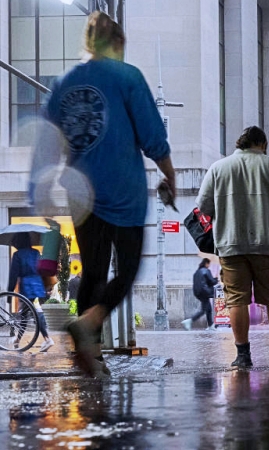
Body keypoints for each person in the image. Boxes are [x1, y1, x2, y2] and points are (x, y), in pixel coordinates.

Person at [29, 12, 176, 378]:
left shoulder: (65, 83)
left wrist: (41, 185)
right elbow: (152, 136)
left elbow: (47, 141)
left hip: (80, 193)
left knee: (92, 273)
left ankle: (90, 356)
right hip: (123, 191)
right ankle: (90, 322)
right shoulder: (127, 77)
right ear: (117, 43)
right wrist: (170, 175)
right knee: (125, 272)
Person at [197, 126, 269, 367]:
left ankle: (243, 355)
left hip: (231, 245)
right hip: (267, 244)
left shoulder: (218, 168)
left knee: (237, 300)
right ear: (262, 144)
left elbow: (203, 206)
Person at [7, 234, 55, 352]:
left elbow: (13, 275)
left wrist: (10, 292)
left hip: (27, 285)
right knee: (25, 313)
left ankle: (48, 339)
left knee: (30, 312)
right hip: (37, 284)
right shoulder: (36, 252)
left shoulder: (17, 255)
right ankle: (18, 340)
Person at [182, 258, 219, 331]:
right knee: (204, 309)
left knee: (208, 309)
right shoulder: (206, 271)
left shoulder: (197, 272)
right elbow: (211, 281)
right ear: (206, 264)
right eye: (209, 264)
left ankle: (211, 325)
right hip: (204, 291)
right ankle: (189, 321)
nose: (209, 266)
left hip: (198, 292)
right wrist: (216, 279)